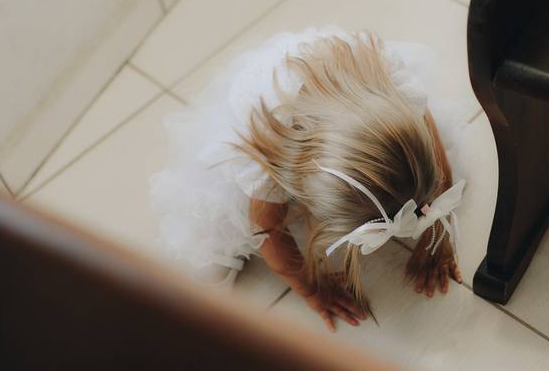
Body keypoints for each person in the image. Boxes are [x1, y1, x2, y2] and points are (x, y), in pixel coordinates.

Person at [151, 28, 472, 331]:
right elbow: (267, 230)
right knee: (216, 246)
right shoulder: (266, 158)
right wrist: (312, 289)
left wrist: (437, 238)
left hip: (343, 77)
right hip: (267, 109)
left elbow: (440, 171)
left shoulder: (398, 91)